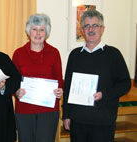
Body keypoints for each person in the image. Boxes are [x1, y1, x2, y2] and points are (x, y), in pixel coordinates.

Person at [62, 10, 131, 142]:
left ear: (102, 29)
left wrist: (104, 94)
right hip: (78, 121)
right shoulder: (75, 55)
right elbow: (68, 87)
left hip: (103, 121)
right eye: (87, 26)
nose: (91, 29)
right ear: (82, 30)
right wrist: (66, 115)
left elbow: (125, 84)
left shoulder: (114, 54)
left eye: (95, 25)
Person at [12, 13, 64, 142]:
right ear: (29, 31)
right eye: (34, 29)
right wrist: (16, 91)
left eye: (42, 29)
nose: (38, 33)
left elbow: (59, 79)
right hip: (24, 109)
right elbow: (13, 81)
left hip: (48, 110)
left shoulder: (54, 53)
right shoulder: (19, 53)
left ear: (47, 32)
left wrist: (60, 90)